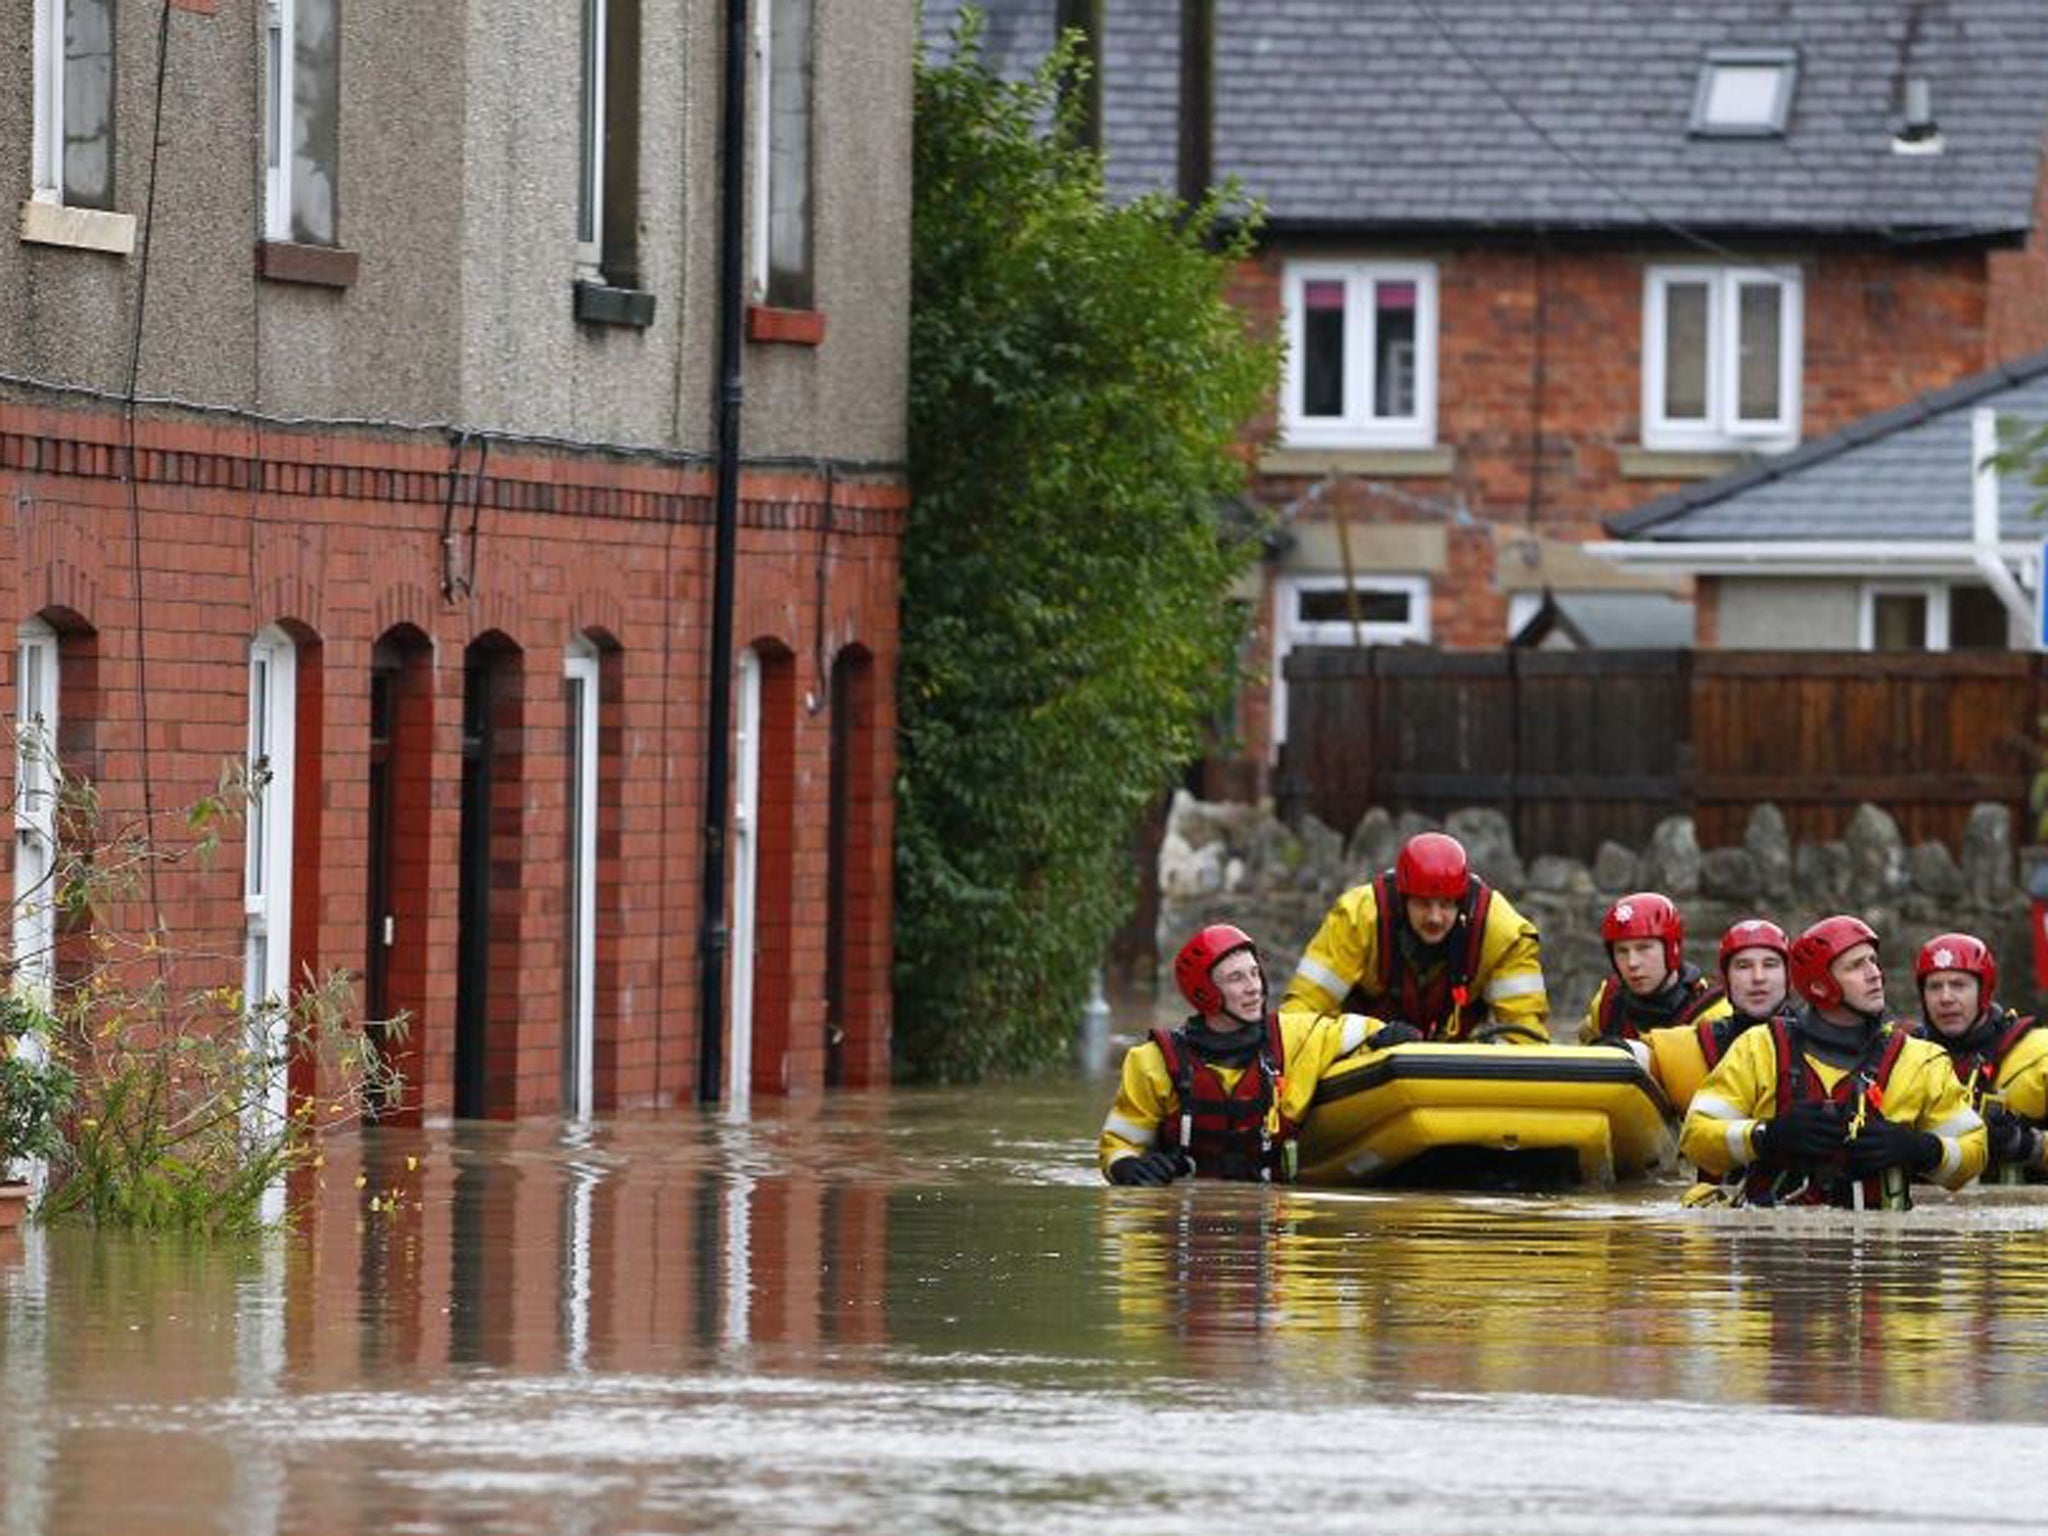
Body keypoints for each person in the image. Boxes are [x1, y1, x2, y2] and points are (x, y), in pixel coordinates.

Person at [1679, 915, 1985, 1208]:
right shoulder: (1759, 1047)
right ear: (1820, 986)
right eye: (1855, 966)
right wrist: (1766, 1136)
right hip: (1771, 1246)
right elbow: (1695, 1136)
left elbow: (1974, 1148)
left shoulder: (1922, 1060)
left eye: (1873, 962)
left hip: (1877, 1251)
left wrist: (1921, 1150)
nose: (1875, 974)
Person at [1100, 924, 1374, 1185]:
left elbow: (1357, 1029)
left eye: (1255, 973)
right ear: (1205, 991)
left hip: (1271, 1217)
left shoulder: (1294, 1036)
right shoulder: (1153, 1062)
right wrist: (1127, 1167)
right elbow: (1119, 1144)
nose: (1253, 987)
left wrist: (1386, 1034)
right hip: (1187, 1215)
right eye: (1236, 978)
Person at [1278, 831, 1548, 1047]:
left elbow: (1525, 1039)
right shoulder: (1357, 919)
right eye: (1423, 903)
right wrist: (1365, 1038)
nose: (1434, 917)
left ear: (1462, 902)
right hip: (1368, 1063)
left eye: (1446, 905)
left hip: (1457, 1077)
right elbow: (1301, 1016)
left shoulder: (1502, 933)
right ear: (1403, 898)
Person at [1914, 932, 2048, 1179]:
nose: (1945, 998)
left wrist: (2028, 1144)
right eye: (1934, 986)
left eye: (1958, 985)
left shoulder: (2039, 1054)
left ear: (1984, 991)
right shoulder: (1904, 1059)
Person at [1578, 893, 1729, 1046]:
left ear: (1671, 949)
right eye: (1622, 951)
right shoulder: (1607, 1003)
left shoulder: (1712, 1016)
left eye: (1643, 948)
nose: (1632, 963)